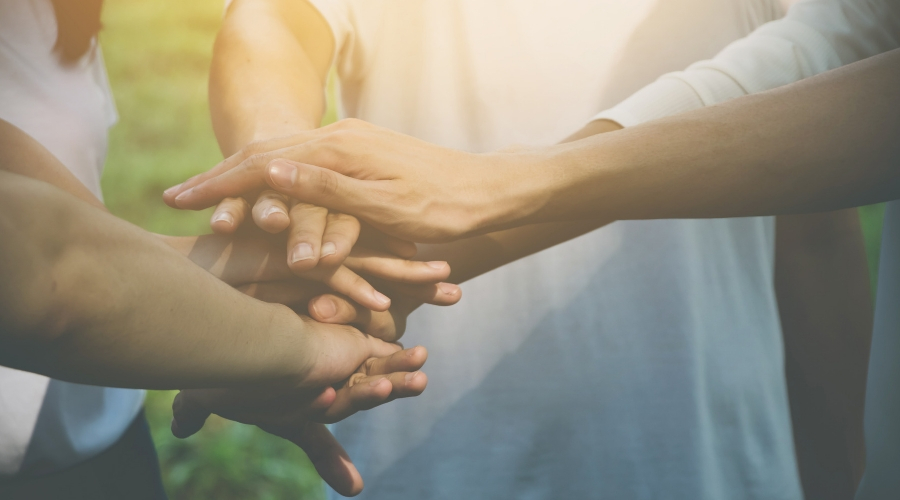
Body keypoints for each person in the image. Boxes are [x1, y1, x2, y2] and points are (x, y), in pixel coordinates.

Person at [167, 3, 900, 498]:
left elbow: (819, 140)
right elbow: (275, 23)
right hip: (441, 451)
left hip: (710, 450)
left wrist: (839, 462)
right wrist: (285, 171)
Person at [0, 1, 455, 497]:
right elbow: (47, 269)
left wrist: (248, 277)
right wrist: (303, 346)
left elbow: (70, 233)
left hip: (99, 444)